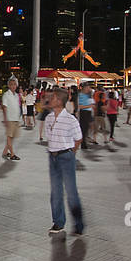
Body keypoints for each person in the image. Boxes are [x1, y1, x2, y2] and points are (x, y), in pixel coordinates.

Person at [41, 85, 87, 235]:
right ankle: (58, 222)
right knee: (56, 191)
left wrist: (71, 153)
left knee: (71, 191)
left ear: (60, 101)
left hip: (66, 156)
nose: (50, 99)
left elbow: (78, 139)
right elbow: (49, 137)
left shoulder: (70, 119)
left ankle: (78, 224)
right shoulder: (48, 118)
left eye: (53, 97)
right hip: (52, 156)